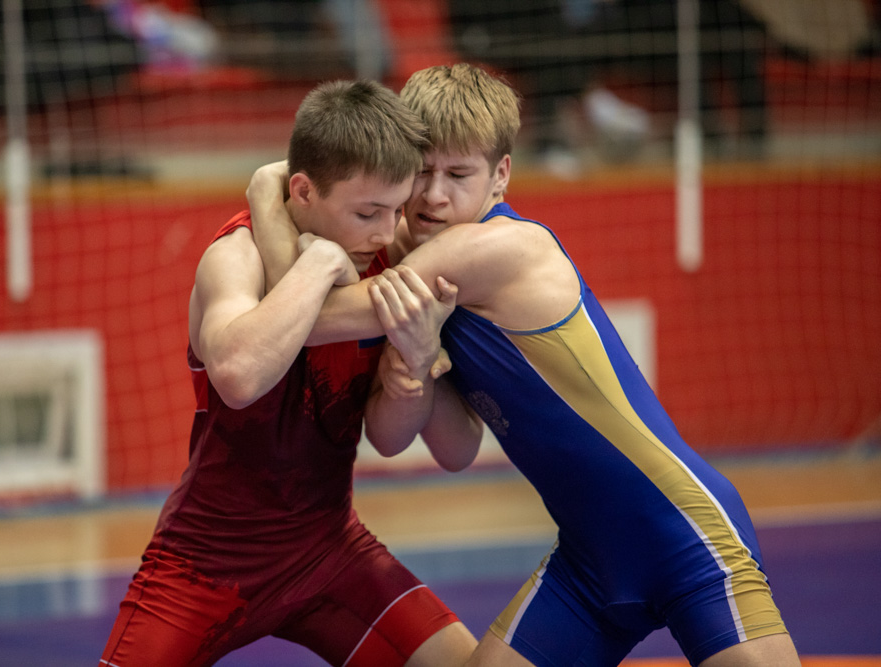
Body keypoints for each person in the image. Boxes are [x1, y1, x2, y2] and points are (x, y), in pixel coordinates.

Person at [246, 63, 801, 666]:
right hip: (588, 565)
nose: (434, 195)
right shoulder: (419, 259)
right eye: (423, 173)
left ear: (501, 175)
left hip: (685, 535)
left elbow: (308, 320)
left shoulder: (496, 248)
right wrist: (417, 357)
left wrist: (264, 198)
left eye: (459, 175)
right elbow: (455, 450)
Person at [99, 78, 478, 666]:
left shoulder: (385, 257)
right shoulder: (237, 256)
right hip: (205, 562)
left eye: (395, 210)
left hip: (329, 548)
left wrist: (415, 365)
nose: (386, 231)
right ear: (301, 191)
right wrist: (320, 261)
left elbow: (399, 439)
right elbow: (239, 373)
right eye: (366, 212)